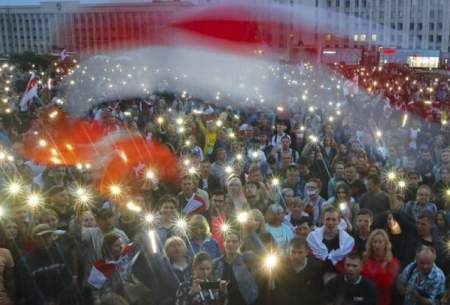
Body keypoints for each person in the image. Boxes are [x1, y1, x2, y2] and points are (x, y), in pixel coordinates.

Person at [19, 224, 78, 305]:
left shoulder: (61, 254)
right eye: (42, 236)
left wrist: (62, 298)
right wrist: (44, 301)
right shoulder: (26, 261)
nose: (46, 239)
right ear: (34, 239)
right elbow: (28, 288)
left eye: (49, 235)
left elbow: (68, 277)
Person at [306, 206, 354, 283]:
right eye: (327, 219)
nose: (330, 222)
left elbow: (348, 262)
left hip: (341, 278)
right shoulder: (313, 238)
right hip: (317, 278)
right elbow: (310, 260)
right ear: (322, 220)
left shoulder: (347, 240)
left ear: (338, 221)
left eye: (334, 219)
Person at [212, 232, 258, 305]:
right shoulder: (216, 263)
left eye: (234, 241)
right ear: (224, 243)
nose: (231, 244)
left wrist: (252, 233)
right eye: (228, 241)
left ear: (239, 243)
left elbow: (261, 254)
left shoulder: (246, 259)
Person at [278, 237, 322, 305]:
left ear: (307, 252)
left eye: (300, 252)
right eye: (293, 252)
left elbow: (317, 293)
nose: (296, 256)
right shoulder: (282, 267)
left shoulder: (315, 268)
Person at [361, 229, 400, 305]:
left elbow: (396, 287)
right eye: (374, 242)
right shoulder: (364, 260)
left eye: (380, 242)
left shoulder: (392, 263)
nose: (377, 245)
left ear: (385, 244)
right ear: (371, 244)